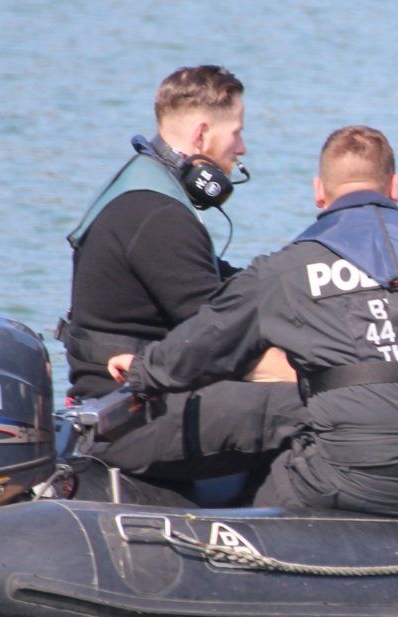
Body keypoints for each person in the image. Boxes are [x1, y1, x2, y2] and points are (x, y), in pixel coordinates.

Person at [108, 125, 398, 517]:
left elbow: (207, 341)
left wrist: (144, 371)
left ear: (319, 192)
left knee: (265, 488)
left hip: (357, 479)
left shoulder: (285, 270)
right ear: (394, 187)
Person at [60, 65, 302, 485]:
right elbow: (219, 338)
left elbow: (228, 292)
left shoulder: (149, 192)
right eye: (237, 133)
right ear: (202, 135)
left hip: (143, 400)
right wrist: (318, 377)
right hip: (127, 418)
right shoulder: (158, 215)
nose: (242, 148)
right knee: (317, 405)